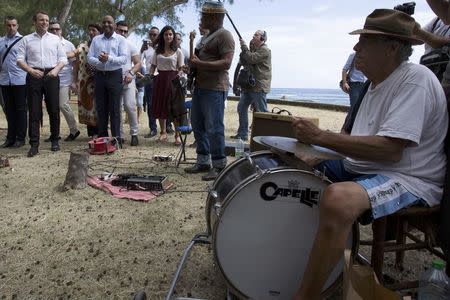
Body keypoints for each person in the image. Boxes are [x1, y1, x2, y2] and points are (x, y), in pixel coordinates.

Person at [292, 9, 448, 299]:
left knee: (338, 200)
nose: (355, 48)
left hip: (409, 177)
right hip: (370, 165)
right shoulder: (375, 85)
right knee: (294, 164)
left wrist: (321, 137)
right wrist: (320, 150)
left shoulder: (414, 79)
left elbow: (390, 150)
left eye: (364, 41)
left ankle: (306, 295)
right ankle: (309, 252)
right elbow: (358, 141)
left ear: (391, 48)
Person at [184, 1, 235, 181]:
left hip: (214, 88)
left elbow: (226, 63)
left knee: (214, 127)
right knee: (198, 124)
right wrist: (193, 67)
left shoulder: (225, 36)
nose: (201, 18)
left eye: (204, 15)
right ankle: (203, 161)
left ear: (214, 17)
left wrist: (200, 64)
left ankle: (219, 164)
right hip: (200, 87)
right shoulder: (207, 37)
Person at [16, 11, 68, 157]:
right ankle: (34, 145)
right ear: (35, 22)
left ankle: (55, 140)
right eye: (41, 20)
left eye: (47, 20)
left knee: (54, 110)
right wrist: (31, 71)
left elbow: (63, 59)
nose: (45, 22)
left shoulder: (55, 39)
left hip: (52, 75)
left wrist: (55, 71)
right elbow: (19, 59)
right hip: (33, 76)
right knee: (34, 112)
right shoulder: (26, 40)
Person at [87, 15, 128, 141]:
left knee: (115, 109)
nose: (106, 24)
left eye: (109, 22)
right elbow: (90, 58)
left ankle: (116, 139)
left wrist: (108, 58)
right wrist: (101, 62)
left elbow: (124, 58)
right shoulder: (96, 40)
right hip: (99, 76)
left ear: (114, 25)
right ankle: (103, 139)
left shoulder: (121, 40)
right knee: (101, 108)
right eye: (104, 22)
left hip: (115, 76)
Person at [231, 30, 271, 141]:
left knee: (262, 112)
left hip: (259, 86)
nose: (253, 36)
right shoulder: (254, 50)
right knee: (241, 107)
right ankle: (243, 134)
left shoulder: (265, 50)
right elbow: (245, 61)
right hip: (249, 86)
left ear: (262, 38)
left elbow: (252, 58)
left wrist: (243, 46)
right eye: (254, 34)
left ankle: (267, 137)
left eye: (256, 35)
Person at [147, 25, 184, 145]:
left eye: (170, 34)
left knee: (175, 108)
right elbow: (153, 65)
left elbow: (181, 68)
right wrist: (150, 75)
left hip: (174, 81)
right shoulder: (157, 50)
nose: (168, 36)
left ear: (173, 36)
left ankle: (177, 135)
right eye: (166, 34)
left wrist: (179, 74)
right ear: (162, 36)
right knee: (160, 106)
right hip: (160, 80)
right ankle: (163, 133)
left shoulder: (178, 51)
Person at [48, 21, 80, 142]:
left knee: (63, 105)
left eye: (57, 29)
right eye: (52, 29)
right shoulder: (47, 43)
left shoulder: (68, 44)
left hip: (65, 79)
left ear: (61, 30)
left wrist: (74, 80)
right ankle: (54, 134)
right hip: (50, 79)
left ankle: (74, 130)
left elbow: (75, 64)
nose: (54, 31)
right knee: (52, 108)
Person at [0, 16, 27, 148]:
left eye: (13, 25)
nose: (11, 27)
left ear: (17, 26)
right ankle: (10, 138)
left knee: (21, 110)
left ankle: (20, 138)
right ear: (5, 26)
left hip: (20, 80)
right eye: (8, 25)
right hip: (5, 81)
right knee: (9, 110)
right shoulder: (0, 41)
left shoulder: (24, 41)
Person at [71, 23, 101, 138]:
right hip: (84, 80)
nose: (91, 32)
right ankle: (92, 133)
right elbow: (76, 65)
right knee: (87, 105)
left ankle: (99, 132)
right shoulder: (82, 46)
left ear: (99, 32)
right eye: (90, 30)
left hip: (98, 80)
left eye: (94, 30)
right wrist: (74, 81)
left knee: (98, 106)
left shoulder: (102, 44)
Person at [115, 20, 140, 146]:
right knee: (116, 109)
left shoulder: (131, 45)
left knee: (130, 107)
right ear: (115, 29)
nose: (123, 33)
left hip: (128, 81)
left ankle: (134, 134)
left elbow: (138, 63)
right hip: (113, 81)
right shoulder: (110, 44)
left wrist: (131, 73)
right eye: (121, 30)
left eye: (125, 31)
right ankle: (119, 135)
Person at [141, 26, 159, 138]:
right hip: (149, 77)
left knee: (164, 103)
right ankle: (153, 129)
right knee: (150, 104)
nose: (152, 36)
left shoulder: (163, 47)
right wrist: (141, 50)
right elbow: (138, 60)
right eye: (151, 34)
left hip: (161, 77)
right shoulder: (145, 48)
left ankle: (167, 127)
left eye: (155, 34)